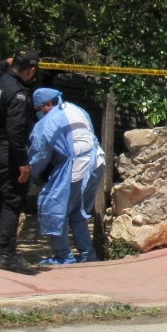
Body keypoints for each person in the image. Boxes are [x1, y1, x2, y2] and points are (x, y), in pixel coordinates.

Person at [28, 87, 106, 265]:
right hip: (96, 163)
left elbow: (39, 154)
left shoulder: (49, 121)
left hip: (77, 167)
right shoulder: (75, 109)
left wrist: (29, 176)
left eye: (39, 109)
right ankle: (88, 255)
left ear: (48, 104)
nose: (39, 114)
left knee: (54, 208)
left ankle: (64, 256)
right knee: (77, 213)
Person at [0, 50, 39, 273]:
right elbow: (16, 132)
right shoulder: (18, 94)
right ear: (31, 70)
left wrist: (7, 60)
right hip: (7, 151)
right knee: (11, 202)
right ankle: (7, 256)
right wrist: (22, 163)